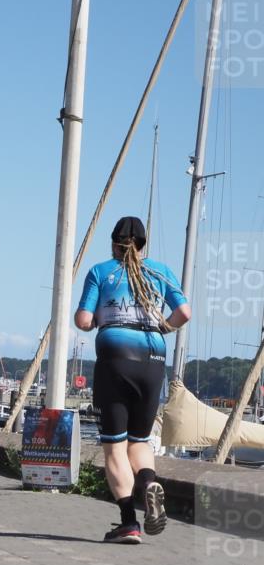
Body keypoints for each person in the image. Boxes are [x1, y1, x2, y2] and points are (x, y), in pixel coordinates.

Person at [75, 216, 190, 544]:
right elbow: (185, 313)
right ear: (143, 246)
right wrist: (163, 328)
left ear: (114, 244)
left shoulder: (101, 271)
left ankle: (129, 522)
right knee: (139, 441)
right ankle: (150, 483)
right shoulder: (161, 271)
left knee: (115, 447)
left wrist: (96, 319)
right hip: (153, 361)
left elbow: (83, 319)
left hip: (115, 362)